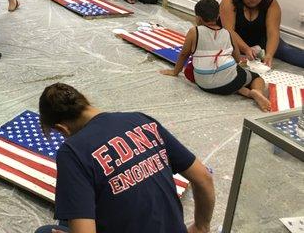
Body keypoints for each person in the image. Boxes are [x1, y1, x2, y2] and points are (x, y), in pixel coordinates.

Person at [35, 83, 215, 233]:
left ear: (62, 129)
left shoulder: (72, 151)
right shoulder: (140, 120)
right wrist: (201, 226)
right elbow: (204, 178)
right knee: (71, 218)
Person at [160, 0, 271, 112]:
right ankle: (256, 92)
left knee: (190, 69)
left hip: (204, 84)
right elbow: (237, 58)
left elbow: (184, 54)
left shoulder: (194, 32)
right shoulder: (228, 33)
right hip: (230, 82)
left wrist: (175, 72)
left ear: (198, 18)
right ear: (218, 16)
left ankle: (247, 92)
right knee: (255, 77)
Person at [220, 0, 304, 68]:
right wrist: (246, 49)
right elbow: (229, 30)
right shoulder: (229, 0)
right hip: (234, 40)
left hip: (260, 39)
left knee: (287, 51)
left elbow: (273, 32)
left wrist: (269, 55)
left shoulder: (270, 2)